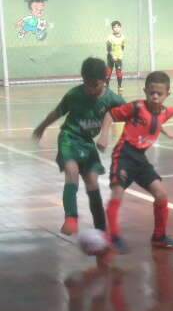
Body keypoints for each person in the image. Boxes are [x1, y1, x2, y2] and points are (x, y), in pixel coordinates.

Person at [97, 71, 173, 252]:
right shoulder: (136, 107)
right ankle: (113, 236)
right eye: (151, 92)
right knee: (117, 193)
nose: (154, 97)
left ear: (167, 94)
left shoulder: (163, 112)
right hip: (124, 155)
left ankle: (159, 237)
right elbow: (110, 115)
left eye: (159, 94)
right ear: (145, 91)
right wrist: (104, 135)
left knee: (161, 195)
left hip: (140, 160)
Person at [32, 57, 125, 235]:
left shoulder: (112, 99)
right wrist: (42, 126)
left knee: (92, 181)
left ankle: (101, 229)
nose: (90, 89)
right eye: (86, 83)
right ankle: (71, 217)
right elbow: (57, 112)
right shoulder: (74, 95)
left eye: (94, 85)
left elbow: (129, 111)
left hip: (87, 143)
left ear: (105, 79)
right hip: (69, 137)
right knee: (72, 172)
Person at [106, 20, 125, 95]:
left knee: (119, 72)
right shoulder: (109, 37)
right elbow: (108, 48)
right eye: (114, 27)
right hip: (111, 57)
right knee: (108, 72)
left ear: (120, 28)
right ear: (112, 29)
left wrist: (120, 55)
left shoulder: (123, 37)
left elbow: (122, 47)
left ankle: (119, 86)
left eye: (118, 27)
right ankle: (106, 85)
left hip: (119, 58)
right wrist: (112, 56)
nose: (116, 28)